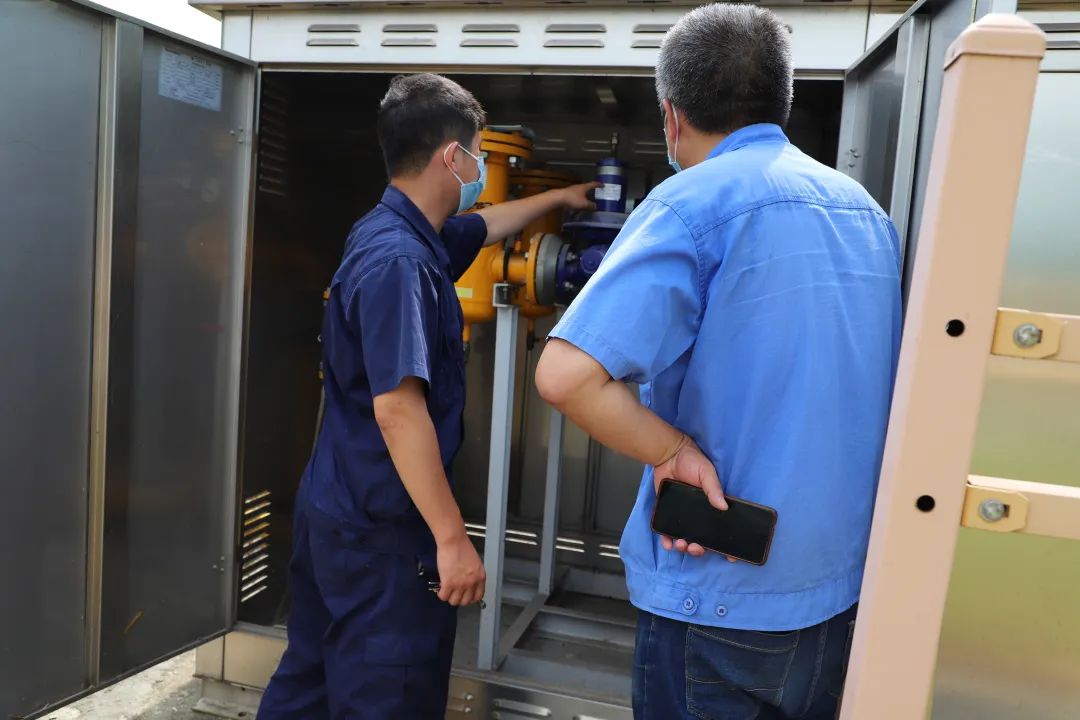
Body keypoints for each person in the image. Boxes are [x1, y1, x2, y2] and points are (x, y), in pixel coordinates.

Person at [534, 5, 902, 719]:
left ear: (672, 117)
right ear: (780, 100)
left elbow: (566, 375)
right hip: (840, 599)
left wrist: (670, 452)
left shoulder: (690, 205)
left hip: (718, 595)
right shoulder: (867, 215)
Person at [258, 73, 597, 720]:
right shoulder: (402, 263)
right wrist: (452, 539)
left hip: (337, 510)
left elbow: (484, 225)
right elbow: (398, 409)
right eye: (478, 156)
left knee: (310, 684)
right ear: (451, 157)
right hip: (383, 535)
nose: (480, 171)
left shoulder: (396, 233)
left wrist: (559, 198)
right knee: (388, 695)